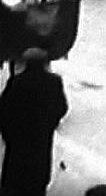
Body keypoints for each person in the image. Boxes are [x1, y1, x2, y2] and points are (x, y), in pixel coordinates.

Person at [0, 47, 68, 196]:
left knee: (14, 185)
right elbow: (62, 108)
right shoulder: (54, 82)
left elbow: (4, 110)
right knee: (37, 183)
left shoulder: (17, 82)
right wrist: (49, 124)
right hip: (41, 142)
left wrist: (9, 135)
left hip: (18, 144)